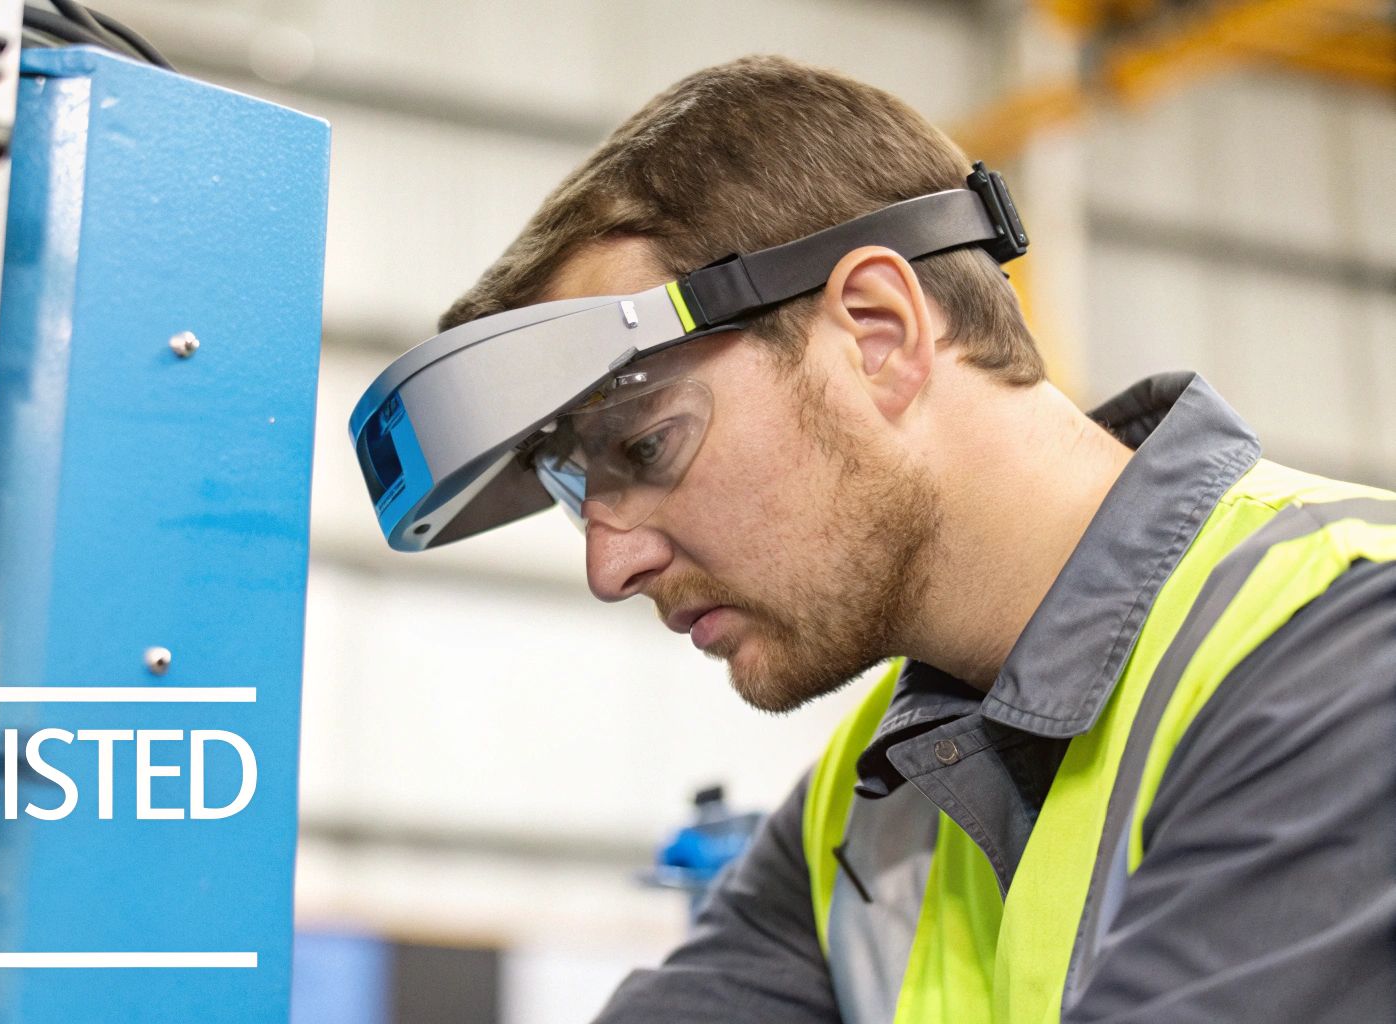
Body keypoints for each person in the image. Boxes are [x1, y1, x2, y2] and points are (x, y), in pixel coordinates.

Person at [353, 55, 1396, 1022]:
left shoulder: (1344, 651)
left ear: (878, 333)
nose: (608, 565)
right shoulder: (864, 811)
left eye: (645, 444)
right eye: (577, 490)